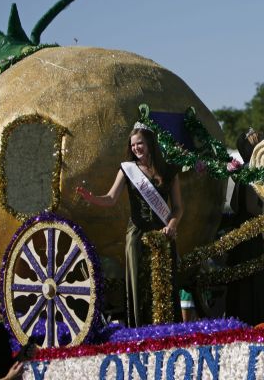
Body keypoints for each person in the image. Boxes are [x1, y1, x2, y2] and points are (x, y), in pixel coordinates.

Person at [77, 122, 184, 327]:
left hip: (163, 234)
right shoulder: (127, 170)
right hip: (136, 235)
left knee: (165, 283)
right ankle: (140, 330)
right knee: (139, 283)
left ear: (150, 143)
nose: (136, 148)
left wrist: (172, 224)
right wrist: (91, 198)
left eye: (140, 143)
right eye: (133, 145)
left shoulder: (169, 170)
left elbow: (178, 207)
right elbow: (110, 198)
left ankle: (169, 329)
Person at [225, 128, 264, 326]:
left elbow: (235, 205)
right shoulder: (251, 172)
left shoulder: (240, 172)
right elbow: (251, 206)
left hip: (241, 235)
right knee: (254, 283)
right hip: (253, 237)